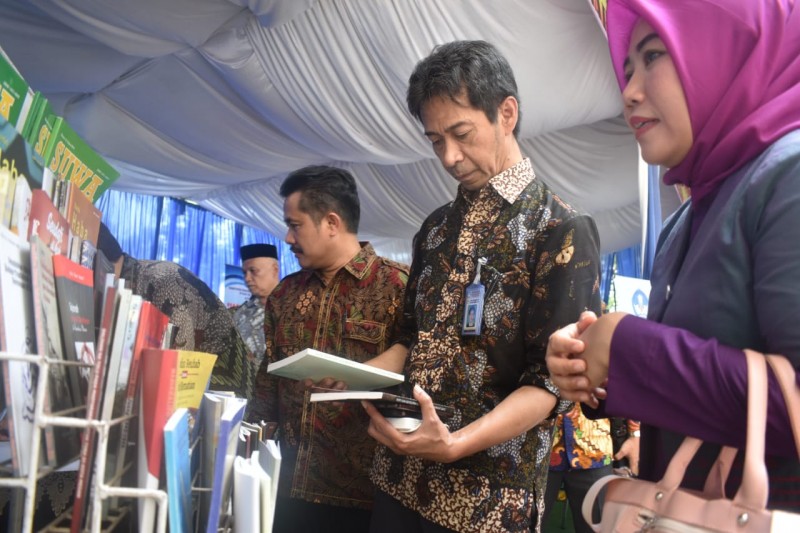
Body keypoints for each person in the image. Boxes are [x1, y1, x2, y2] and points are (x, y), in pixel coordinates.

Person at [546, 0, 800, 511]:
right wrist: (596, 366)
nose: (630, 91)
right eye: (627, 69)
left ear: (726, 51)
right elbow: (701, 381)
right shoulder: (689, 216)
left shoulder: (787, 177)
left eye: (654, 55)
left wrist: (628, 346)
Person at [362, 40, 602, 532]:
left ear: (506, 113)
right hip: (399, 479)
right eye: (435, 140)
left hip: (488, 504)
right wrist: (353, 378)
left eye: (461, 133)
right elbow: (409, 339)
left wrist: (455, 444)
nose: (449, 156)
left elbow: (549, 385)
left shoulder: (558, 230)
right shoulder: (434, 228)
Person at [246, 165, 409, 532]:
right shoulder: (285, 294)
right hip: (284, 488)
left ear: (332, 223)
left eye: (295, 224)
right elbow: (267, 382)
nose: (288, 237)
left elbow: (416, 377)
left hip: (365, 496)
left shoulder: (398, 288)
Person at [96, 223, 252, 398]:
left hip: (226, 384)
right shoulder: (132, 282)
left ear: (100, 261)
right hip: (194, 380)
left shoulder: (162, 284)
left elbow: (176, 372)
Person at [541, 407, 639, 532]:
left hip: (594, 449)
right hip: (537, 446)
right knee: (524, 523)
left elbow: (627, 389)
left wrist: (635, 433)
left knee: (596, 525)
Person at [233, 243, 279, 370]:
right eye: (244, 273)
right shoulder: (240, 314)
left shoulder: (296, 307)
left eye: (253, 271)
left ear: (274, 270)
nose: (247, 278)